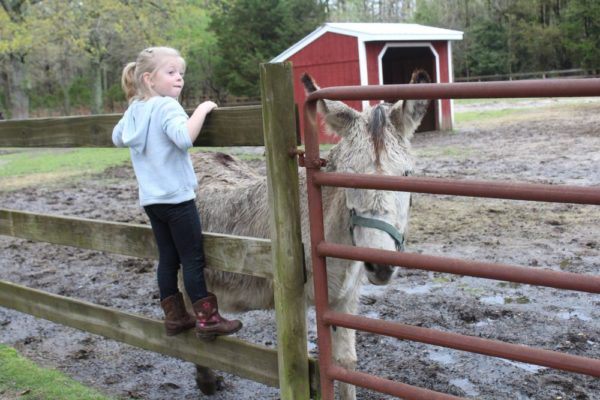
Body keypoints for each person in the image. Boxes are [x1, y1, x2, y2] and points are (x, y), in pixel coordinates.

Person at [112, 46, 242, 339]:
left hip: (152, 201)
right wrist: (203, 109)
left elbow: (117, 137)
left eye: (181, 73)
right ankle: (208, 320)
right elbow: (183, 138)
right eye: (171, 72)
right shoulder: (166, 106)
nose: (179, 79)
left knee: (168, 259)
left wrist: (135, 106)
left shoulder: (136, 109)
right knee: (193, 260)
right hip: (178, 200)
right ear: (149, 79)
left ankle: (174, 316)